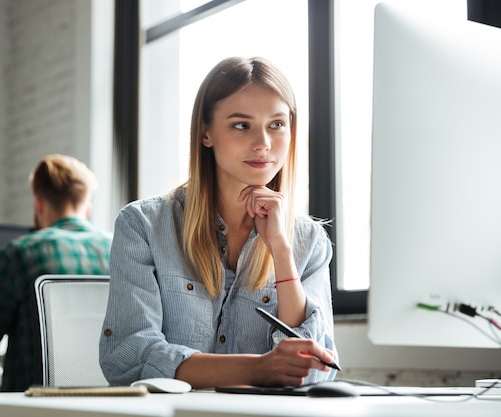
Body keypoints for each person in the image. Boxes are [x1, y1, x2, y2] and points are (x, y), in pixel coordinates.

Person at [99, 56, 337, 389]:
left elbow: (314, 368)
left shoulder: (308, 242)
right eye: (242, 125)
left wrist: (282, 252)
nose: (263, 144)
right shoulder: (144, 225)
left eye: (277, 124)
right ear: (206, 133)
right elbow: (128, 356)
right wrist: (257, 369)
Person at [0, 154, 113, 392]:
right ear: (88, 208)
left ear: (39, 204)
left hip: (33, 407)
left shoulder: (21, 253)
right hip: (110, 405)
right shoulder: (119, 251)